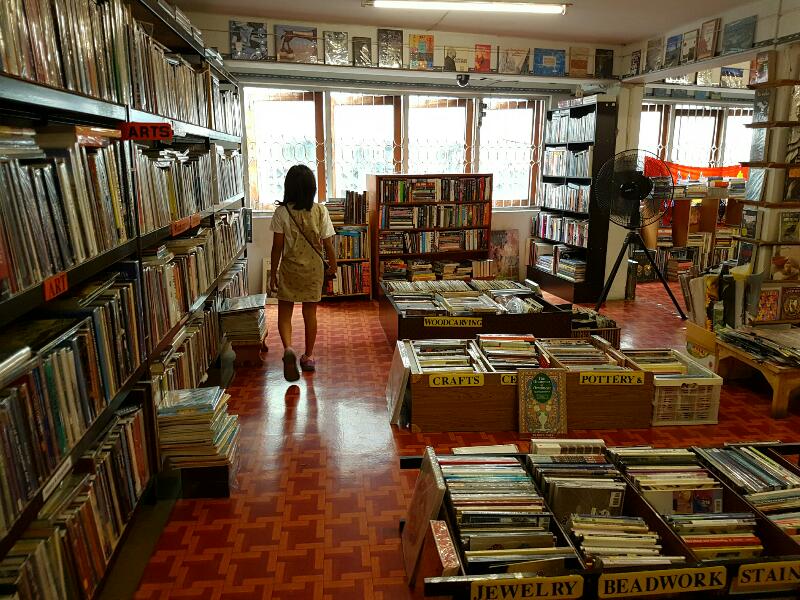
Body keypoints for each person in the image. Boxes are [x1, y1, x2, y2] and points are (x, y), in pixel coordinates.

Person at [269, 165, 337, 381]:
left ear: (288, 187)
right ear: (312, 188)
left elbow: (277, 247)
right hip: (313, 270)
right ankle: (308, 356)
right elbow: (328, 243)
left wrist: (272, 274)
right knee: (310, 313)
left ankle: (288, 347)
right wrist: (333, 265)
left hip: (289, 269)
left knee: (285, 313)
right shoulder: (320, 211)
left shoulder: (281, 213)